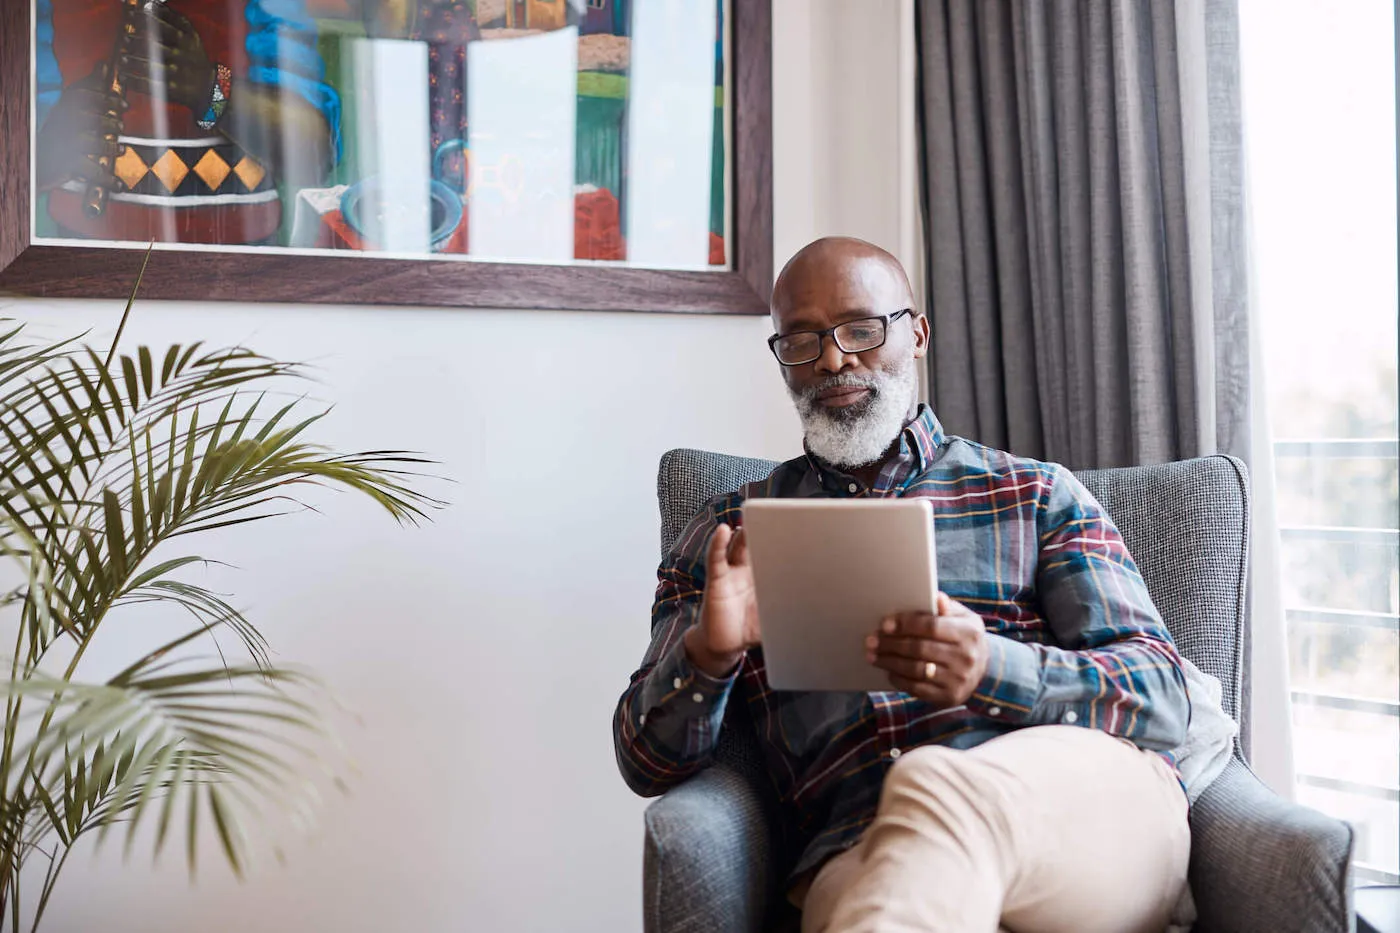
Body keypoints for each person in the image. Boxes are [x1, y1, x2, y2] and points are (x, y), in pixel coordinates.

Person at [613, 237, 1193, 933]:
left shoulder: (1035, 494)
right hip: (864, 852)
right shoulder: (731, 533)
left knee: (933, 783)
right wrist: (709, 653)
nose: (832, 360)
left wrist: (992, 668)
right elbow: (644, 760)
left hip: (1086, 820)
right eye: (799, 342)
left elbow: (1162, 698)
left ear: (915, 334)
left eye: (860, 329)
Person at [35, 0, 340, 244]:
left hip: (241, 262)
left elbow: (315, 155)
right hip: (78, 258)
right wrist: (52, 148)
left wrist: (209, 92)